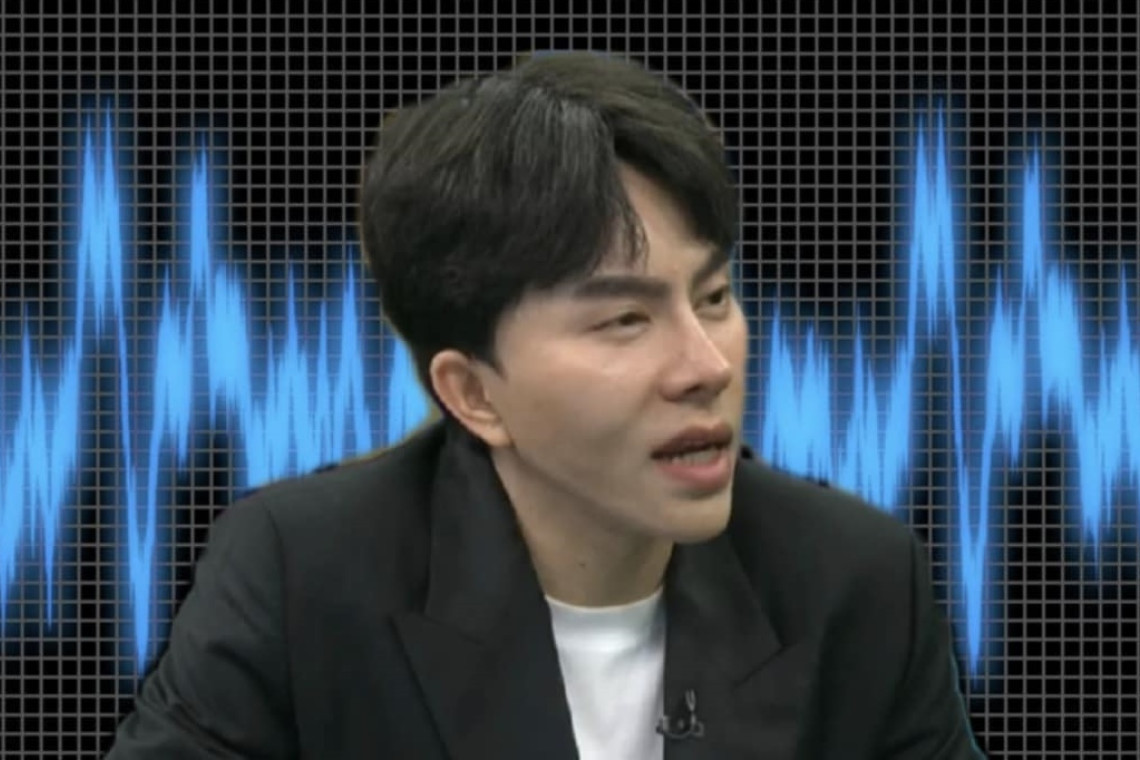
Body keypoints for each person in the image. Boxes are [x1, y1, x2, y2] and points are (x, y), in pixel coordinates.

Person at [105, 51, 984, 759]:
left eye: (714, 297)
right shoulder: (303, 575)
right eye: (625, 320)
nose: (707, 365)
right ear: (474, 394)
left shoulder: (856, 584)